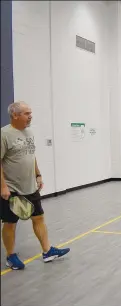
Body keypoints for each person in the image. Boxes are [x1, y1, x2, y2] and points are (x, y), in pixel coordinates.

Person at [1, 102, 70, 270]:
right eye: (26, 113)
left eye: (30, 113)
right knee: (10, 223)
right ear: (15, 115)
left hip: (30, 186)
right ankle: (10, 256)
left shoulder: (29, 132)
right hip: (12, 188)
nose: (30, 116)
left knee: (38, 218)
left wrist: (38, 174)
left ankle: (47, 252)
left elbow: (31, 156)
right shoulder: (4, 134)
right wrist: (3, 187)